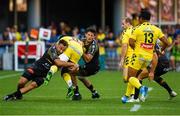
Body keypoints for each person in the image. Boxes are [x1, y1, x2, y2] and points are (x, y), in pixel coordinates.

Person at [121, 9, 170, 103]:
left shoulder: (137, 28)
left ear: (141, 18)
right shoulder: (156, 29)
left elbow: (130, 42)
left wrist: (136, 48)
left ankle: (142, 88)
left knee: (129, 78)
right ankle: (127, 97)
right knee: (136, 76)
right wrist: (160, 51)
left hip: (138, 56)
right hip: (148, 58)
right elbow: (167, 42)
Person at [4, 39, 77, 101]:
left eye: (63, 50)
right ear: (57, 45)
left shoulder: (63, 56)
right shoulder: (52, 49)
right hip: (35, 68)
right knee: (21, 82)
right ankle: (18, 95)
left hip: (43, 75)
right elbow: (58, 63)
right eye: (60, 48)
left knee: (33, 85)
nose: (61, 51)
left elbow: (62, 65)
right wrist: (72, 64)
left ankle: (12, 95)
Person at [70, 27, 100, 100]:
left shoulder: (94, 45)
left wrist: (81, 49)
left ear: (94, 37)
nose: (90, 37)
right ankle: (94, 92)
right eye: (88, 35)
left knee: (72, 71)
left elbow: (87, 60)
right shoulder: (82, 41)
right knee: (81, 77)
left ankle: (76, 93)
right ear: (85, 35)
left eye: (92, 35)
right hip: (87, 65)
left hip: (93, 66)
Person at [119, 18, 135, 100]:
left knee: (126, 78)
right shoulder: (136, 29)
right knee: (132, 77)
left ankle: (139, 90)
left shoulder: (126, 32)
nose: (122, 26)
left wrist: (122, 59)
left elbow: (124, 46)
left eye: (123, 24)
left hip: (130, 57)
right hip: (138, 56)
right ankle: (133, 94)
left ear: (128, 23)